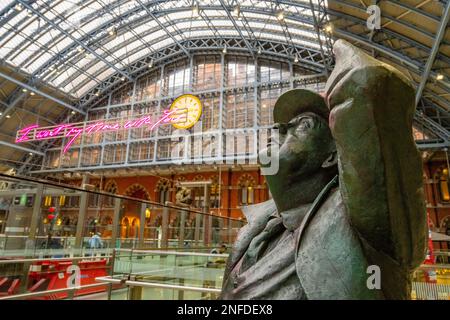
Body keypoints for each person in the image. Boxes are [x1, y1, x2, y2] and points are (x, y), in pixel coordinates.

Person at [220, 40, 427, 300]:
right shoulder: (255, 231)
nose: (281, 129)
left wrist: (342, 51)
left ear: (331, 155)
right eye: (282, 125)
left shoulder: (357, 222)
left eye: (302, 124)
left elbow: (370, 86)